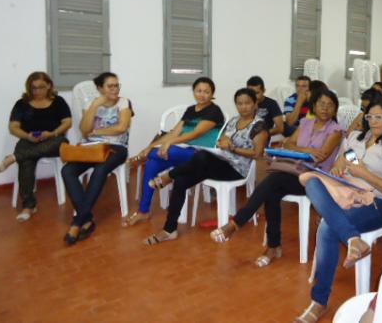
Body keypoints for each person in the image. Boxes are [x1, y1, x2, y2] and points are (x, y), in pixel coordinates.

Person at [294, 96, 382, 322]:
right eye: (370, 117)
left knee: (328, 228)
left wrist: (366, 175)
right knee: (311, 181)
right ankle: (354, 239)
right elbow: (342, 160)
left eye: (379, 117)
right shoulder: (357, 138)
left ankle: (319, 302)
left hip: (377, 203)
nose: (373, 121)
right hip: (347, 193)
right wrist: (340, 166)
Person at [210, 89, 343, 266]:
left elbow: (322, 156)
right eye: (321, 104)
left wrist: (300, 150)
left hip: (314, 179)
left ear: (335, 110)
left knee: (273, 181)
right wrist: (307, 150)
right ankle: (273, 247)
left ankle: (237, 223)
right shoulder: (306, 123)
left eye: (330, 105)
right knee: (272, 191)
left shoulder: (335, 131)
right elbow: (288, 143)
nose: (325, 108)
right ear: (314, 106)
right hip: (293, 171)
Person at [143, 88, 268, 245]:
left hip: (237, 170)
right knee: (181, 181)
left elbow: (258, 154)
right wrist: (223, 141)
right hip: (219, 163)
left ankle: (169, 176)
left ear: (255, 104)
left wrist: (233, 148)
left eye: (248, 103)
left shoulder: (260, 126)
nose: (243, 107)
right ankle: (169, 230)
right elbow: (221, 137)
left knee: (201, 156)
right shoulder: (234, 120)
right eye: (239, 103)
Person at [123, 77, 225, 227]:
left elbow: (194, 134)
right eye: (199, 91)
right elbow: (174, 132)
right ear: (194, 92)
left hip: (202, 155)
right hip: (183, 152)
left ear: (212, 94)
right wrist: (150, 147)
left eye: (206, 92)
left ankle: (138, 159)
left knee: (166, 150)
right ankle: (143, 211)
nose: (202, 94)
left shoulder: (214, 111)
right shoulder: (191, 110)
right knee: (152, 163)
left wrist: (168, 143)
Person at [61, 72, 132, 245]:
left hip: (116, 148)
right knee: (67, 170)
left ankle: (78, 222)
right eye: (110, 86)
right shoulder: (92, 104)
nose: (115, 89)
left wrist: (97, 131)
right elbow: (84, 130)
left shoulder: (124, 103)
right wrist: (93, 107)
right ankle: (86, 218)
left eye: (117, 85)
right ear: (100, 88)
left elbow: (121, 128)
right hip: (91, 148)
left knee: (100, 170)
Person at [0, 72, 72, 221]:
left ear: (49, 85)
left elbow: (67, 122)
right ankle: (29, 206)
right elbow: (14, 127)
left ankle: (14, 158)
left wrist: (51, 133)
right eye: (34, 88)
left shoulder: (58, 101)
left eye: (41, 87)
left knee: (61, 143)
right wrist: (27, 136)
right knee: (26, 160)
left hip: (53, 140)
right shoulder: (21, 104)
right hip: (29, 139)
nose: (37, 91)